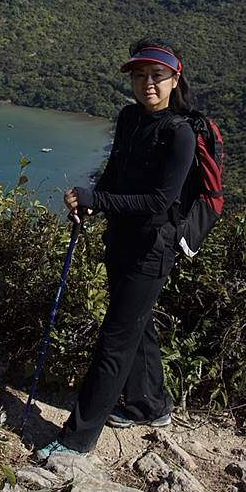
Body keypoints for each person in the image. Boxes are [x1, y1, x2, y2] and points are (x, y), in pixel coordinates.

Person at [36, 38, 196, 459]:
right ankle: (150, 405)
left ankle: (77, 439)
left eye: (157, 76)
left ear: (174, 80)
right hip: (120, 240)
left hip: (151, 250)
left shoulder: (180, 133)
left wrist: (100, 200)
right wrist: (90, 203)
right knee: (136, 324)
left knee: (114, 340)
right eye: (140, 76)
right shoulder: (129, 118)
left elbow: (159, 201)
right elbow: (114, 173)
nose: (147, 84)